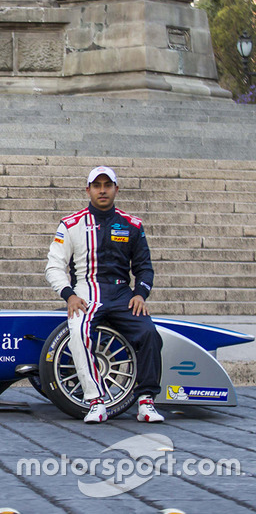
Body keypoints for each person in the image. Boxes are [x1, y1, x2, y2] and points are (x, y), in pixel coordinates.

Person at [45, 166, 164, 424]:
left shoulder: (132, 225)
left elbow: (144, 267)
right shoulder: (70, 224)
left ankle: (146, 401)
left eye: (107, 185)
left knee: (149, 333)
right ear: (87, 190)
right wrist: (69, 295)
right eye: (96, 185)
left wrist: (141, 294)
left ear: (116, 190)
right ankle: (96, 401)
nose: (102, 190)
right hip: (86, 291)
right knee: (79, 331)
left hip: (123, 293)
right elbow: (54, 266)